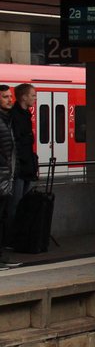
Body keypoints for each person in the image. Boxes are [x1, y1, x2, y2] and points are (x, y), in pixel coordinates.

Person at [9, 84, 37, 221]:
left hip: (27, 165)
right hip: (19, 167)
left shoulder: (25, 114)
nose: (35, 98)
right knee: (16, 203)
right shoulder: (15, 116)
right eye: (33, 95)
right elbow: (17, 141)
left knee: (22, 202)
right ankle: (12, 236)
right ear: (24, 97)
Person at [0, 85, 15, 266]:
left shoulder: (6, 120)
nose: (10, 99)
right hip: (2, 176)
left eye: (10, 96)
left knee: (3, 217)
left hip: (5, 177)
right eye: (5, 97)